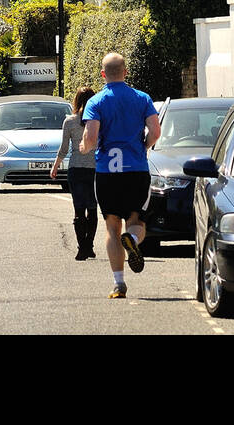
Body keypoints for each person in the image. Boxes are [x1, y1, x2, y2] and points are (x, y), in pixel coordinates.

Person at [79, 52, 161, 299]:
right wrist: (144, 145)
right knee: (137, 221)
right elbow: (155, 131)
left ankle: (118, 284)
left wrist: (84, 147)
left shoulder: (96, 102)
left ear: (103, 75)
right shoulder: (142, 98)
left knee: (111, 228)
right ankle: (133, 238)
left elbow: (91, 138)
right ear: (126, 72)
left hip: (107, 174)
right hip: (136, 171)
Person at [50, 86, 97, 261]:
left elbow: (64, 149)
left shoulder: (69, 121)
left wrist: (55, 166)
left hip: (76, 169)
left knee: (79, 209)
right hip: (95, 169)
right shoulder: (99, 121)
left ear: (76, 100)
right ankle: (89, 246)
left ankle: (81, 248)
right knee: (92, 209)